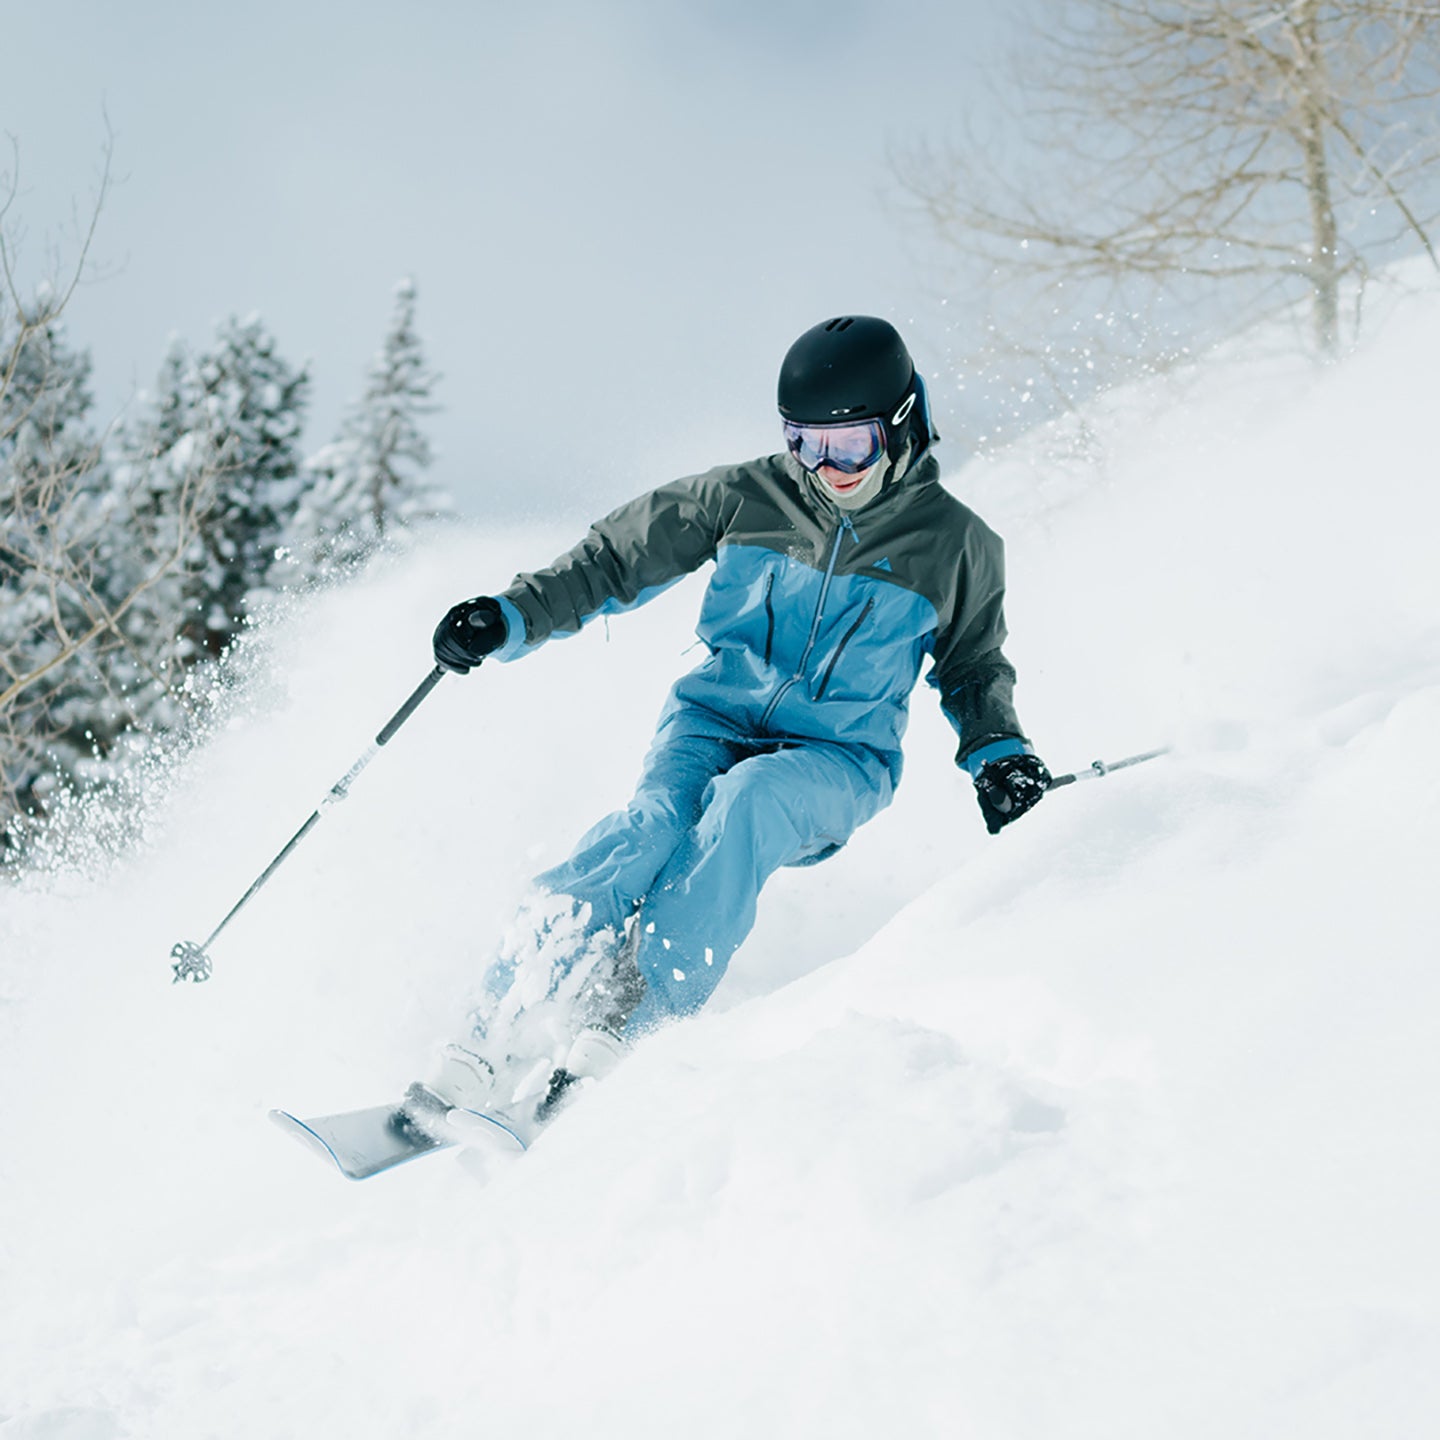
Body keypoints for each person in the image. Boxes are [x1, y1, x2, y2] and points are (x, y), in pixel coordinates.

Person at [422, 315, 1050, 1126]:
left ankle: (633, 1027)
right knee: (650, 829)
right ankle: (488, 1029)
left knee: (748, 802)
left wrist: (998, 755)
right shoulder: (745, 497)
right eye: (805, 444)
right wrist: (509, 615)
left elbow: (972, 667)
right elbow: (617, 557)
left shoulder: (957, 545)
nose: (827, 469)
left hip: (838, 760)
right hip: (712, 724)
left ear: (899, 426)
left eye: (849, 445)